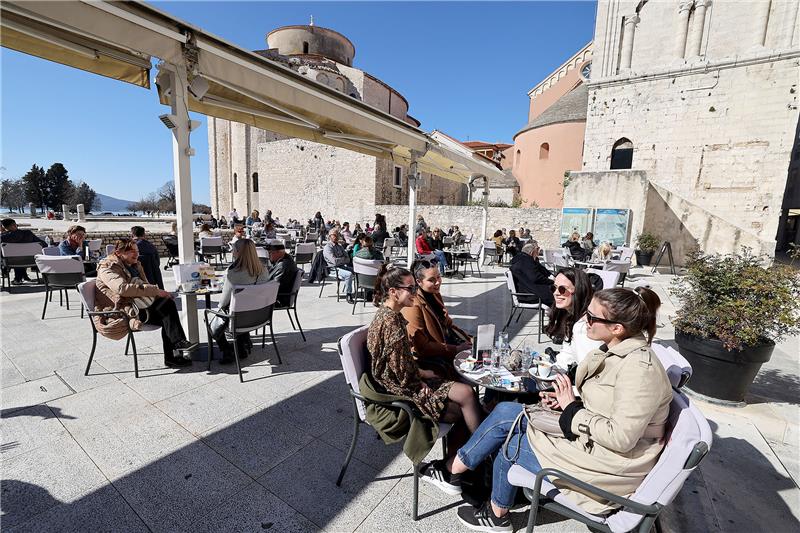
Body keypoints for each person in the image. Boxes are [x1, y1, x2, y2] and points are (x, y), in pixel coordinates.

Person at [446, 287, 670, 531]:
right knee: (508, 411)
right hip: (594, 446)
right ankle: (456, 469)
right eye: (587, 313)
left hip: (609, 467)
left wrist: (572, 409)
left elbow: (621, 437)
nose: (586, 321)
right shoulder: (617, 352)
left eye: (593, 318)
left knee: (511, 443)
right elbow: (610, 405)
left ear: (618, 328)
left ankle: (489, 506)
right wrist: (566, 403)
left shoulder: (639, 370)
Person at [369, 264, 483, 493]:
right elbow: (396, 375)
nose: (415, 293)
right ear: (393, 292)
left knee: (468, 394)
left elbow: (400, 362)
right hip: (400, 392)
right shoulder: (391, 323)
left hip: (410, 379)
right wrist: (420, 384)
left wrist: (421, 374)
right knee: (465, 405)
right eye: (410, 288)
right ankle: (465, 466)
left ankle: (464, 462)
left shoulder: (392, 314)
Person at [94, 239, 196, 367]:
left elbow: (143, 286)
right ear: (119, 253)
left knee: (167, 307)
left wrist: (159, 293)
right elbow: (122, 288)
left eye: (137, 251)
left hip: (136, 306)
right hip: (122, 312)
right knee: (167, 313)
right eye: (132, 252)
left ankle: (177, 346)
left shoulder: (133, 265)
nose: (136, 254)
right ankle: (175, 350)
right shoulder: (107, 267)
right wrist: (156, 291)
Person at [402, 260, 471, 378]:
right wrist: (456, 349)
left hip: (448, 345)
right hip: (433, 359)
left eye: (438, 277)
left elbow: (448, 324)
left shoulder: (434, 294)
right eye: (431, 280)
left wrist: (467, 338)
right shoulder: (413, 304)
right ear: (418, 282)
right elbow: (421, 347)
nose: (437, 282)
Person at [214, 239, 270, 364]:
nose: (232, 252)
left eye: (233, 250)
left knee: (213, 318)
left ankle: (227, 350)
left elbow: (223, 303)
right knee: (240, 307)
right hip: (259, 316)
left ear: (238, 252)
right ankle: (240, 348)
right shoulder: (264, 270)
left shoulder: (234, 274)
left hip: (240, 319)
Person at [545, 268, 602, 372]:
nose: (556, 293)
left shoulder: (584, 326)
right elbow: (567, 354)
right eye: (554, 288)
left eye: (562, 289)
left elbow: (588, 369)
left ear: (578, 291)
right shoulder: (572, 316)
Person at [509, 241, 555, 307]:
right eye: (537, 249)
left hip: (528, 292)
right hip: (528, 296)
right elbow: (536, 278)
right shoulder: (525, 261)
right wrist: (552, 282)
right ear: (532, 252)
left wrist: (553, 277)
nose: (539, 252)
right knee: (560, 296)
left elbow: (543, 270)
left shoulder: (525, 259)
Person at [0, 218, 47, 284]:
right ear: (14, 225)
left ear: (4, 227)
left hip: (10, 262)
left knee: (15, 256)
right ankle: (22, 277)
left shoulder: (3, 237)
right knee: (21, 256)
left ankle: (11, 276)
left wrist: (3, 232)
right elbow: (44, 244)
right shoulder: (28, 233)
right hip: (31, 261)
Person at [322, 229, 354, 302]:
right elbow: (334, 262)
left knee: (357, 271)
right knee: (348, 274)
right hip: (333, 269)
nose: (336, 237)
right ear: (330, 236)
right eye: (334, 235)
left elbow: (348, 259)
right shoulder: (328, 248)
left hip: (341, 266)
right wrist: (343, 259)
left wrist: (340, 260)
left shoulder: (339, 246)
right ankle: (348, 294)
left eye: (337, 235)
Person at [266, 241, 298, 307]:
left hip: (278, 300)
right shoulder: (285, 260)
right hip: (278, 297)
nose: (268, 255)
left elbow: (274, 287)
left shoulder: (283, 266)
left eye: (270, 253)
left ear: (279, 252)